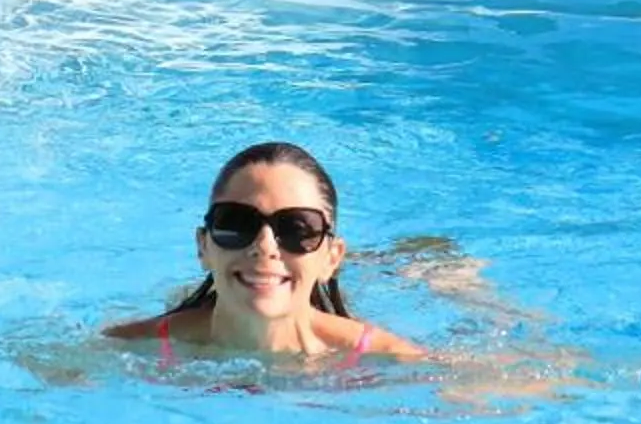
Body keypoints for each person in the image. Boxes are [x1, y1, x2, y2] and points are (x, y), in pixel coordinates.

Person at [105, 142, 425, 364]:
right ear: (203, 247)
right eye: (236, 224)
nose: (264, 247)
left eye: (298, 229)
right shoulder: (125, 349)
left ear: (332, 257)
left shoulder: (391, 359)